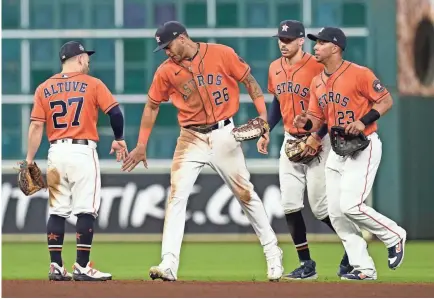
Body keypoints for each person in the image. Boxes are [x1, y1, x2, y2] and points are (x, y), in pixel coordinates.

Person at [121, 21, 284, 282]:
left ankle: (273, 253)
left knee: (246, 194)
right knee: (176, 197)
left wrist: (264, 118)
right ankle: (169, 263)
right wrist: (141, 144)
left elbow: (249, 82)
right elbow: (152, 106)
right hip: (191, 136)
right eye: (163, 48)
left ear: (183, 38)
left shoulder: (221, 53)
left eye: (168, 45)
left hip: (225, 133)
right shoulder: (166, 71)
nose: (166, 52)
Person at [293, 27, 407, 280]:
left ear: (335, 47)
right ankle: (364, 268)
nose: (315, 47)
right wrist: (305, 123)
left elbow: (385, 100)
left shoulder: (359, 74)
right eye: (316, 42)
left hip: (363, 144)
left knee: (351, 206)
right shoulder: (317, 82)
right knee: (336, 212)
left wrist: (363, 120)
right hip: (337, 148)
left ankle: (394, 235)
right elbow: (315, 118)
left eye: (321, 43)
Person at [257, 20, 351, 280]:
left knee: (321, 209)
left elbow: (329, 108)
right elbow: (277, 103)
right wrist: (267, 129)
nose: (283, 44)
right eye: (280, 39)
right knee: (289, 204)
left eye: (288, 40)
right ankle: (306, 264)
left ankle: (354, 248)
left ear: (301, 41)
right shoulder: (275, 68)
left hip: (318, 141)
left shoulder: (316, 67)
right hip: (290, 140)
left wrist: (317, 136)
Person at [28, 41, 127, 281]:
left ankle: (56, 266)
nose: (88, 61)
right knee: (86, 210)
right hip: (82, 152)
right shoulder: (93, 84)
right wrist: (119, 139)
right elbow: (115, 112)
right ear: (79, 58)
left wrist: (29, 160)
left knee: (58, 210)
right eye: (86, 57)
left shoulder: (44, 87)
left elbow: (36, 125)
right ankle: (82, 266)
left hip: (55, 153)